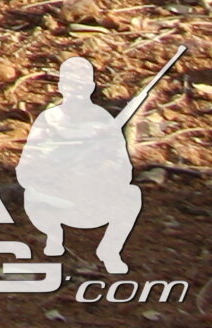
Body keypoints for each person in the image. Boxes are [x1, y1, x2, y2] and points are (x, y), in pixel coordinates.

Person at [18, 54, 150, 272]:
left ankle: (109, 250)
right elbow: (26, 169)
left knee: (132, 195)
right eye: (70, 84)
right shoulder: (49, 119)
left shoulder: (103, 121)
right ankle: (54, 238)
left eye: (81, 84)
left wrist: (98, 165)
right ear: (61, 86)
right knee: (32, 195)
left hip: (92, 198)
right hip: (54, 199)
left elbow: (123, 172)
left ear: (90, 86)